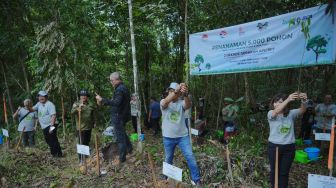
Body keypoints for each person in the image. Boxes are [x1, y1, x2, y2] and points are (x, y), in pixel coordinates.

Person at [160, 82, 201, 187]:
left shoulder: (181, 102)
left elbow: (188, 105)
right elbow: (165, 102)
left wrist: (186, 94)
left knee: (190, 156)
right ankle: (164, 178)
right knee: (168, 157)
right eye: (171, 90)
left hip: (182, 136)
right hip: (168, 137)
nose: (172, 92)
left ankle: (197, 180)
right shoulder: (164, 102)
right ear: (168, 91)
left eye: (174, 91)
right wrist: (176, 91)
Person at [267, 92, 307, 188]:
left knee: (284, 173)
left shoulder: (290, 114)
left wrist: (304, 100)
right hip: (274, 147)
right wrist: (288, 99)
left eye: (280, 102)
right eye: (275, 102)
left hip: (289, 148)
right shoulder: (271, 114)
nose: (277, 104)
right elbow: (276, 112)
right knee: (274, 171)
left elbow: (302, 110)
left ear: (286, 105)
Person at [95, 72, 132, 165]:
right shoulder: (123, 88)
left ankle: (122, 158)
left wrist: (102, 100)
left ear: (117, 79)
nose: (111, 83)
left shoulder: (120, 89)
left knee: (120, 138)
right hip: (122, 115)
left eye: (112, 81)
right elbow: (118, 102)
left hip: (119, 116)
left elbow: (116, 102)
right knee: (122, 133)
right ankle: (130, 149)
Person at [33, 90, 63, 157]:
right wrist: (27, 106)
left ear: (46, 97)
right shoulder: (38, 104)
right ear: (38, 97)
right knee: (48, 140)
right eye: (40, 96)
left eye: (43, 96)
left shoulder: (50, 104)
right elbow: (32, 109)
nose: (41, 98)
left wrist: (51, 128)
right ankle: (55, 153)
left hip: (52, 124)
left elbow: (53, 116)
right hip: (44, 126)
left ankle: (57, 155)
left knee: (52, 139)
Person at [71, 89, 96, 162]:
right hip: (80, 127)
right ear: (80, 96)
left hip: (89, 127)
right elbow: (72, 112)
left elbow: (93, 114)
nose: (83, 97)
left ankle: (86, 157)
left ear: (87, 96)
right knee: (81, 143)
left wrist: (94, 122)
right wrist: (78, 108)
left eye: (85, 95)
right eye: (82, 95)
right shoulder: (76, 103)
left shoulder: (90, 104)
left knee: (87, 141)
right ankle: (81, 159)